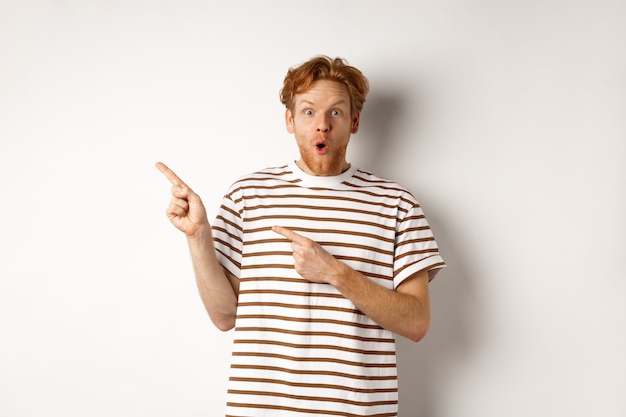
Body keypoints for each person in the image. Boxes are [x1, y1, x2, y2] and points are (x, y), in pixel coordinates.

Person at [156, 55, 445, 417]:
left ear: (354, 121)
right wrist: (198, 235)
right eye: (308, 112)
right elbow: (224, 315)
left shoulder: (396, 203)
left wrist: (334, 273)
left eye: (336, 113)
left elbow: (417, 323)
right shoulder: (249, 195)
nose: (321, 125)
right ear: (290, 120)